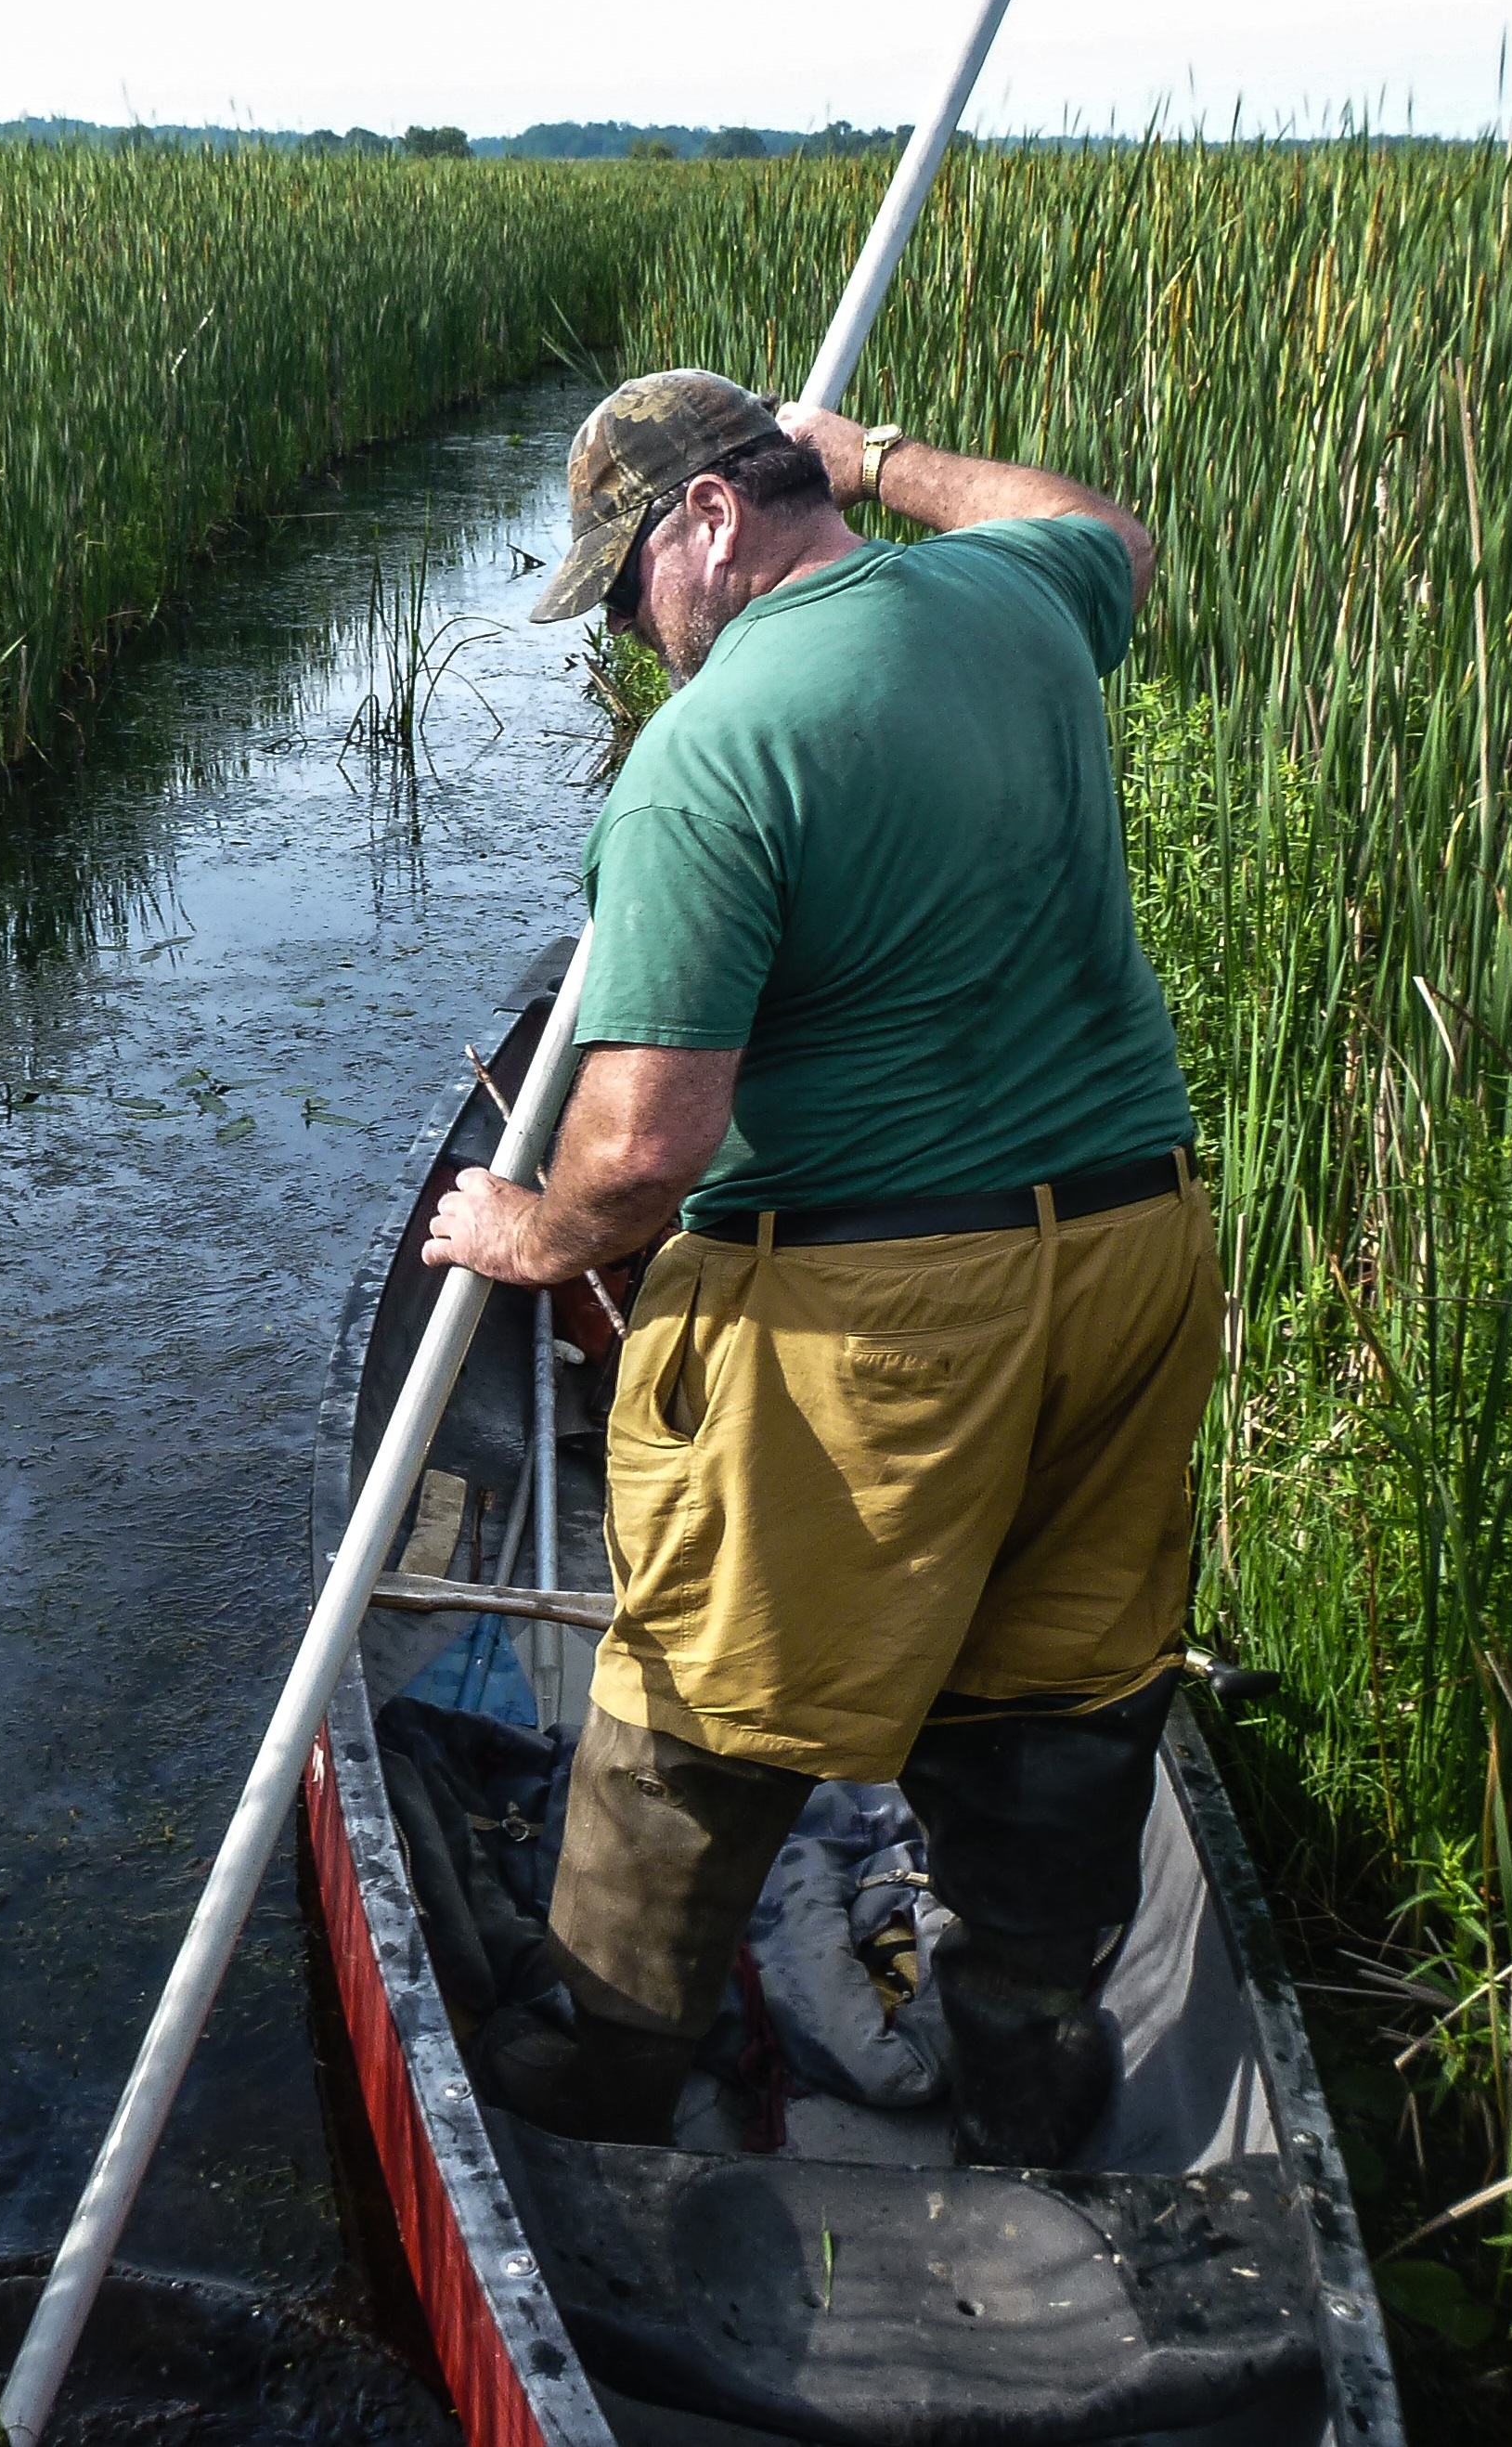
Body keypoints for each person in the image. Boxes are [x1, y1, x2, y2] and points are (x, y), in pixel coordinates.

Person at [419, 369, 1220, 2168]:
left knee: (698, 1698)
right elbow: (1113, 536)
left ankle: (613, 2060)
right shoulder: (1010, 603)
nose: (637, 634)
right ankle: (1026, 2045)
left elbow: (642, 1149)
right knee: (1058, 1680)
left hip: (888, 1319)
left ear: (710, 523)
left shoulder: (714, 753)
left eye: (632, 588)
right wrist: (884, 461)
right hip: (1136, 1263)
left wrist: (523, 1228)